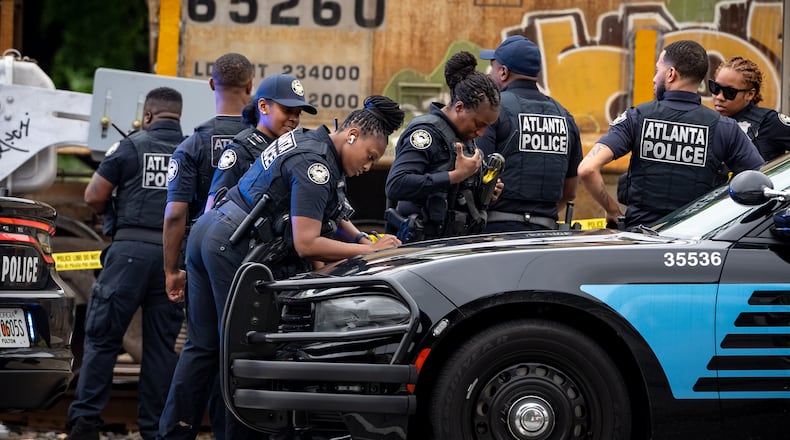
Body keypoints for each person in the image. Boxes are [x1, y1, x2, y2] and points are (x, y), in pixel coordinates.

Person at [158, 95, 404, 440]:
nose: (368, 166)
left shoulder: (311, 142)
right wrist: (369, 251)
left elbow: (330, 214)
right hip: (232, 247)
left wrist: (363, 239)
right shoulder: (315, 165)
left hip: (209, 234)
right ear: (352, 135)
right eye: (371, 156)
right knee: (243, 354)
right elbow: (307, 242)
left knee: (203, 347)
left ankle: (171, 434)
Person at [67, 87, 186, 440]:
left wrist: (112, 212)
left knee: (103, 340)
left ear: (147, 115)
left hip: (128, 254)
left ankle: (85, 425)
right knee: (161, 350)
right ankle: (155, 431)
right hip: (171, 259)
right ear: (178, 116)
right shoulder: (190, 150)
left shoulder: (130, 146)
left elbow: (93, 195)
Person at [578, 40, 764, 230]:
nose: (654, 78)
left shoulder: (636, 117)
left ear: (671, 74)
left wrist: (612, 211)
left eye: (658, 70)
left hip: (640, 238)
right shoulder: (725, 127)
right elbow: (763, 181)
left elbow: (587, 169)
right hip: (696, 239)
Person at [162, 52, 253, 439]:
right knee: (236, 348)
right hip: (250, 260)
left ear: (212, 84)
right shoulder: (264, 142)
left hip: (201, 257)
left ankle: (173, 432)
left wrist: (172, 269)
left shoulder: (193, 144)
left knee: (201, 346)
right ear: (251, 87)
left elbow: (175, 214)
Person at [384, 51, 501, 242]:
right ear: (459, 107)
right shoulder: (425, 134)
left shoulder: (464, 137)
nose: (481, 133)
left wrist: (484, 189)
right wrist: (455, 176)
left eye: (486, 127)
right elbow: (396, 184)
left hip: (451, 245)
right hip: (420, 248)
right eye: (478, 124)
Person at [477, 35, 583, 232]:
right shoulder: (564, 116)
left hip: (495, 233)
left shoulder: (493, 109)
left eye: (492, 68)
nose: (489, 74)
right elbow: (569, 191)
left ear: (503, 72)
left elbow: (477, 172)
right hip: (545, 235)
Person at [205, 72, 318, 211]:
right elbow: (211, 212)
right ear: (263, 106)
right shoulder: (240, 151)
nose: (294, 118)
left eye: (298, 113)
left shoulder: (290, 149)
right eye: (287, 110)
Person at [711, 56, 790, 161]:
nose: (719, 97)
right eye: (715, 88)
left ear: (749, 94)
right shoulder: (709, 121)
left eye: (729, 92)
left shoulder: (769, 121)